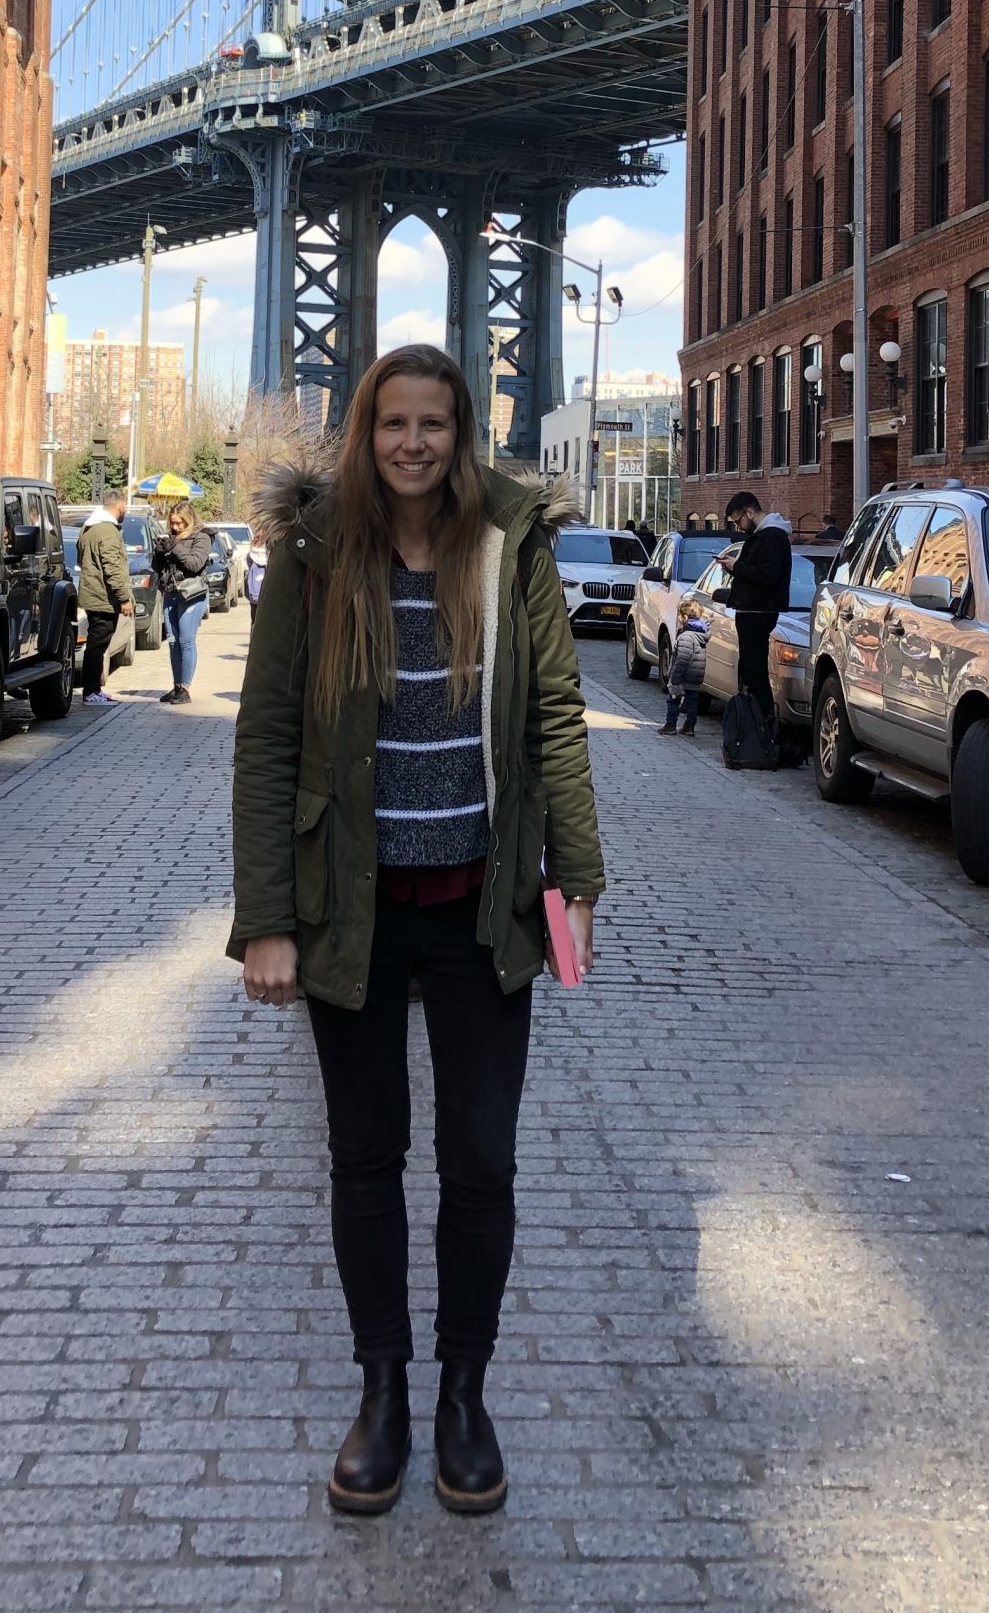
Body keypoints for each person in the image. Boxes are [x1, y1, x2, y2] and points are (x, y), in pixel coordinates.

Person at [230, 343, 604, 1519]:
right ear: (366, 430)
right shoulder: (314, 552)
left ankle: (463, 1395)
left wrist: (576, 877)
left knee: (481, 1161)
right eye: (393, 422)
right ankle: (383, 1390)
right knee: (365, 1157)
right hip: (352, 907)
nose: (412, 443)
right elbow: (267, 735)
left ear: (461, 433)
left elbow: (555, 714)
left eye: (433, 423)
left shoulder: (509, 545)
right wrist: (266, 921)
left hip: (484, 909)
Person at [723, 488, 792, 724]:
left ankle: (761, 726)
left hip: (758, 611)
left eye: (738, 521)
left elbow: (767, 576)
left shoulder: (771, 537)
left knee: (755, 673)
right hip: (751, 609)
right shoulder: (762, 536)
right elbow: (756, 573)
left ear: (749, 513)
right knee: (749, 672)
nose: (739, 527)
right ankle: (753, 724)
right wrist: (733, 568)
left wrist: (737, 566)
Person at [154, 503, 212, 705]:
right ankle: (177, 685)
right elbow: (158, 568)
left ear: (189, 520)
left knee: (186, 640)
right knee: (173, 641)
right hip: (171, 592)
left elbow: (195, 564)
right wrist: (159, 553)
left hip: (191, 593)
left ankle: (185, 688)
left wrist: (175, 547)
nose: (175, 527)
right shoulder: (171, 537)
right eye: (172, 523)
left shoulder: (201, 538)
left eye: (179, 523)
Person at [75, 503, 133, 706]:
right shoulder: (107, 530)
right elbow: (112, 566)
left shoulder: (88, 527)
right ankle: (91, 691)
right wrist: (124, 598)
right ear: (119, 506)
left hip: (93, 593)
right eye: (125, 507)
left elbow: (81, 558)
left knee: (97, 644)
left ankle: (94, 690)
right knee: (98, 644)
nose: (125, 510)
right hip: (103, 597)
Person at [659, 614, 707, 736]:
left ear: (684, 617)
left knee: (674, 699)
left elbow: (682, 659)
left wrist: (674, 678)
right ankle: (689, 726)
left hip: (683, 675)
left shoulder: (686, 636)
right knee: (692, 701)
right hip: (696, 674)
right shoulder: (700, 634)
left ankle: (670, 725)